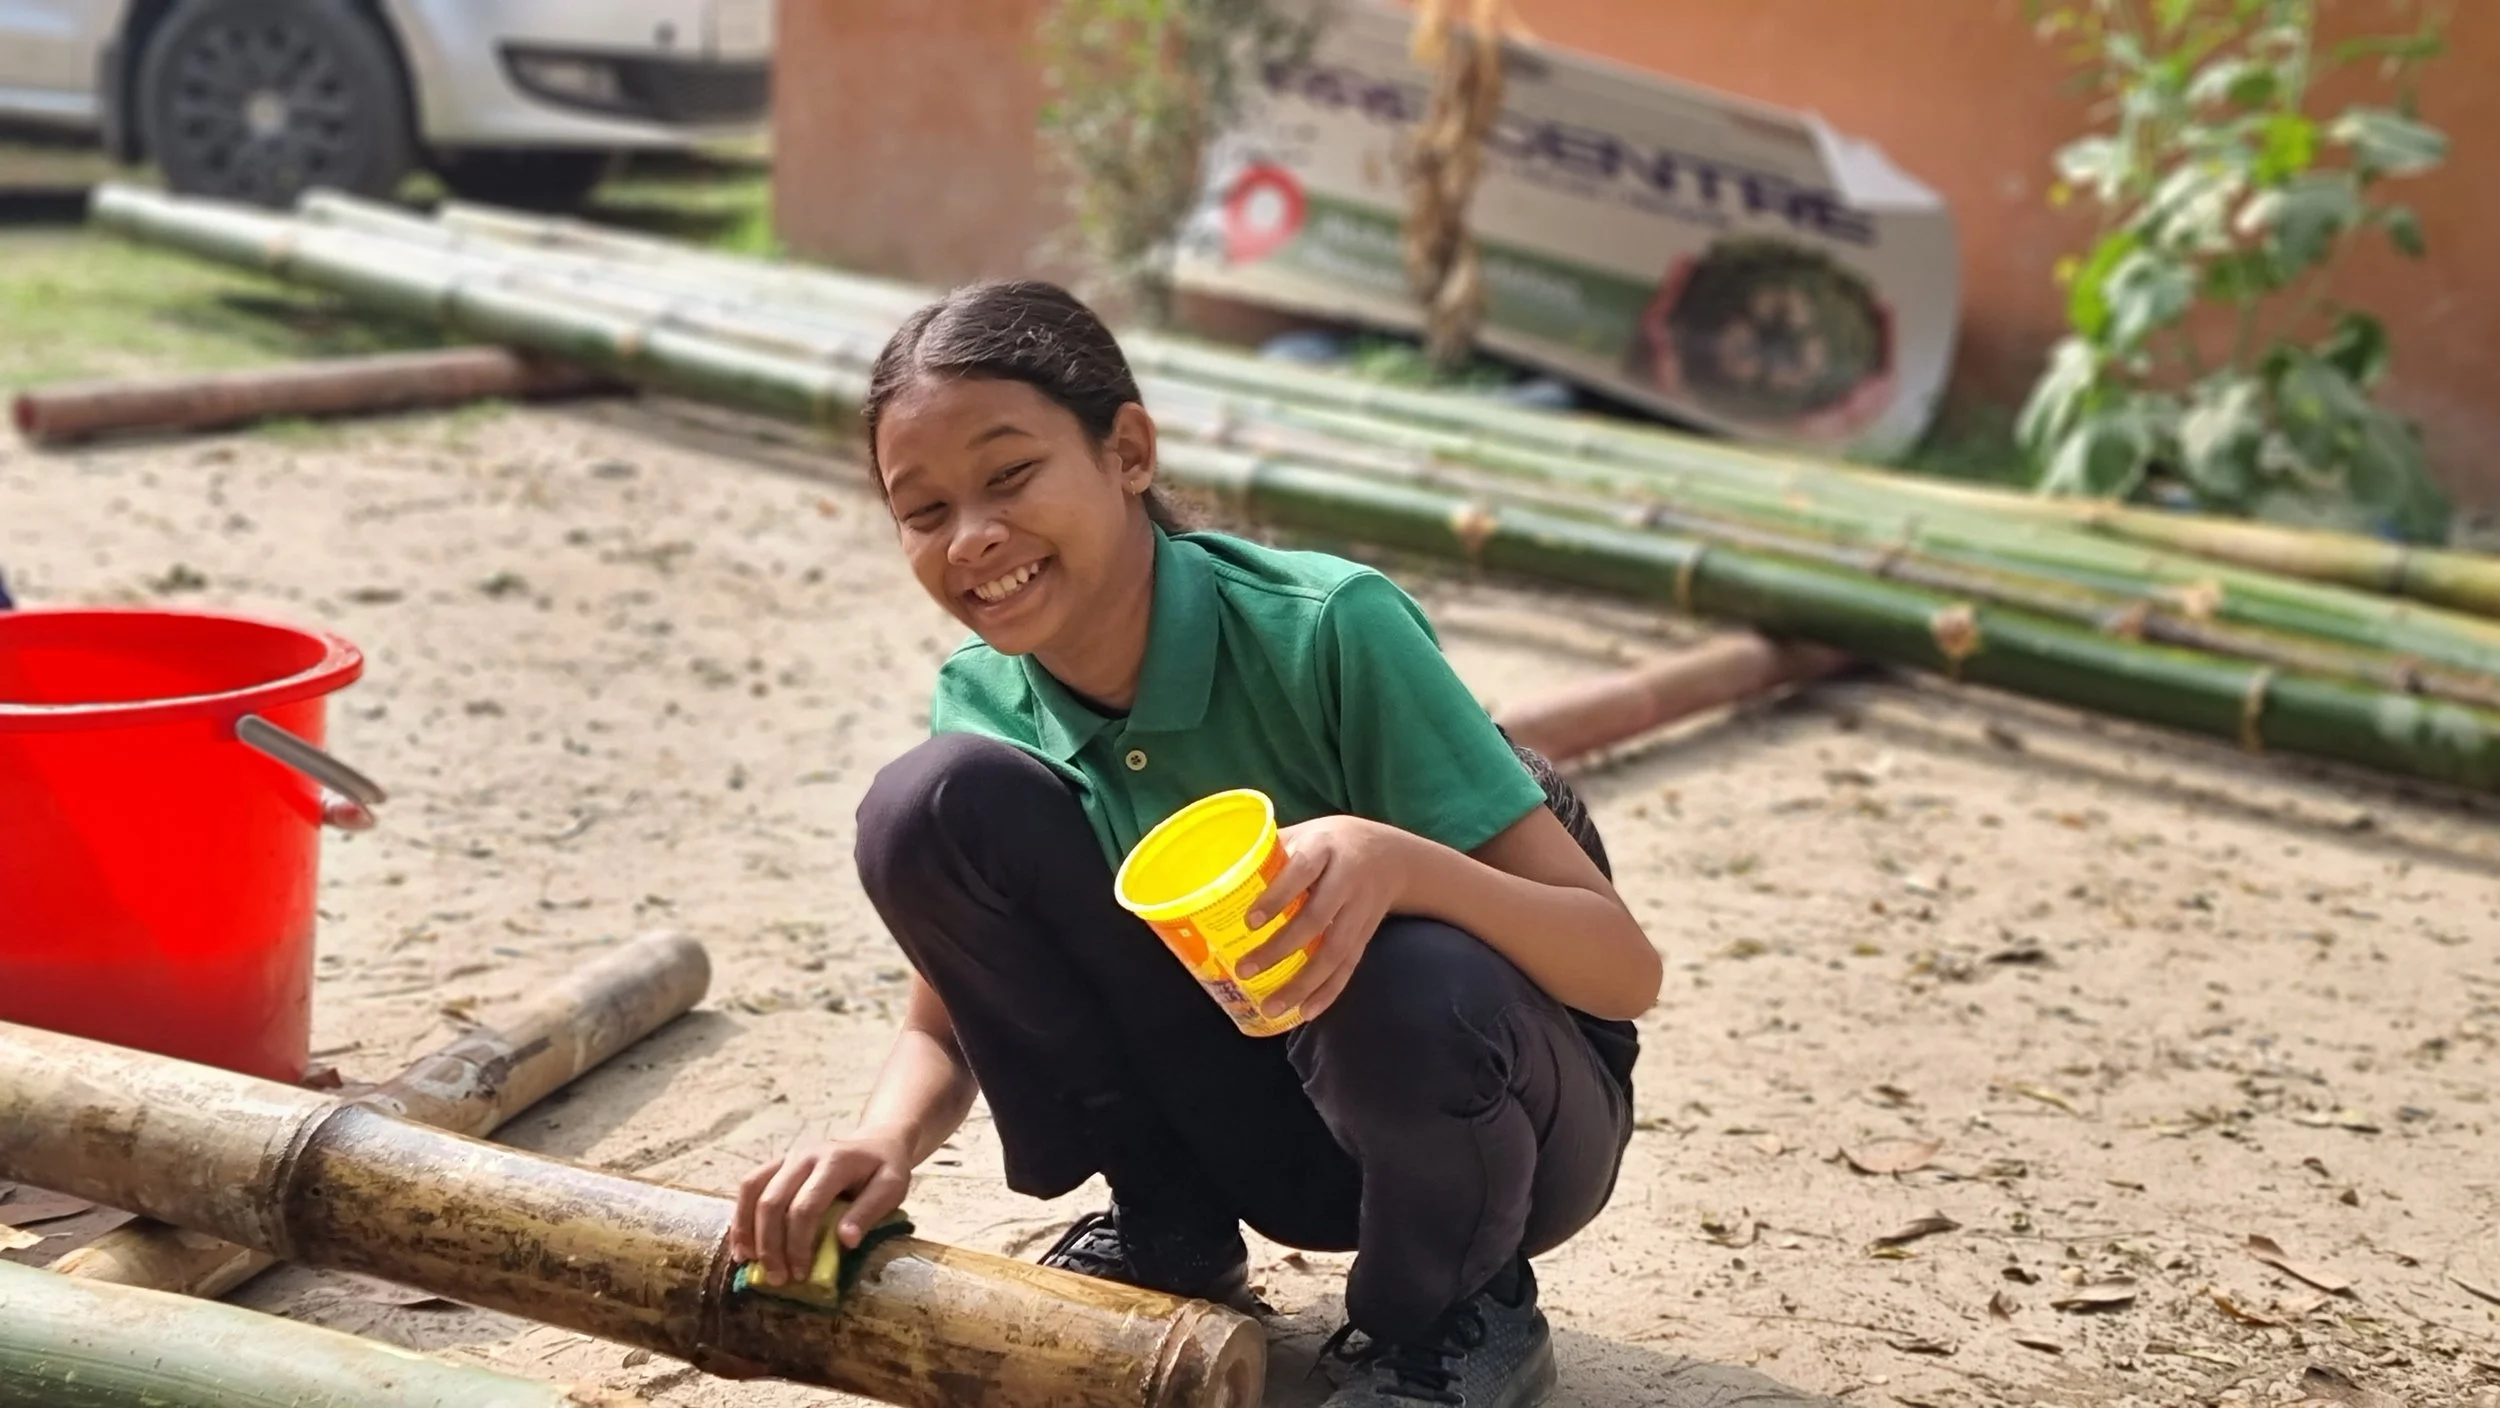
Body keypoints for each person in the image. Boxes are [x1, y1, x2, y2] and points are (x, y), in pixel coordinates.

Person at [729, 280, 1662, 1408]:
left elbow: (1621, 966)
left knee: (1405, 965)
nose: (972, 537)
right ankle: (1170, 1237)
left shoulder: (1328, 628)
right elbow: (953, 1009)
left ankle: (1452, 1312)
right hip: (1259, 1126)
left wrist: (1397, 863)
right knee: (925, 804)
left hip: (1505, 1132)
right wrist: (884, 1140)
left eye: (1011, 475)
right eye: (923, 511)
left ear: (1127, 449)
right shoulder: (982, 701)